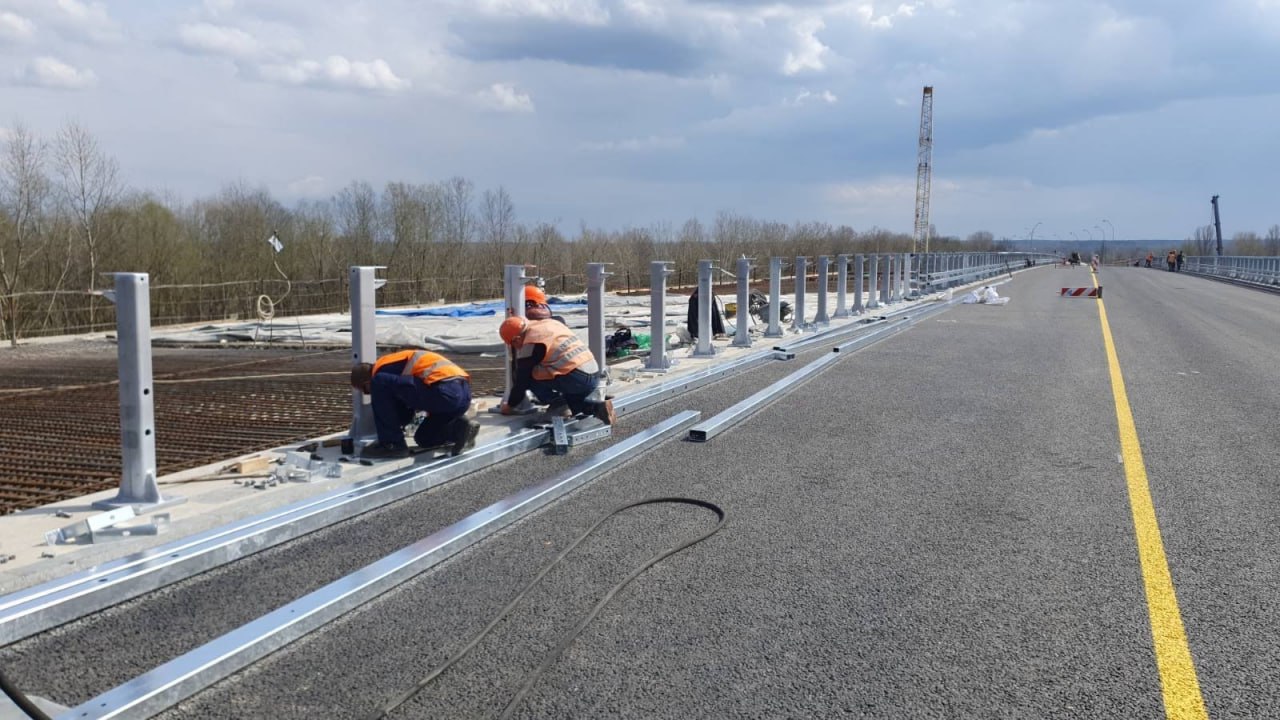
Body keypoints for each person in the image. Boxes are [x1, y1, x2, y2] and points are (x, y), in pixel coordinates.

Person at [350, 349, 481, 459]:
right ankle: (460, 428)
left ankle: (392, 444)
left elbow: (400, 405)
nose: (369, 394)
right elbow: (406, 405)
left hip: (443, 390)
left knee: (379, 382)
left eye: (366, 391)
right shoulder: (395, 368)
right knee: (424, 438)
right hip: (461, 396)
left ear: (366, 382)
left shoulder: (382, 369)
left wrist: (389, 431)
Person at [497, 315, 615, 425]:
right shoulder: (548, 323)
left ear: (517, 339)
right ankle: (598, 408)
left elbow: (521, 381)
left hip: (576, 378)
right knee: (573, 404)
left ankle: (557, 403)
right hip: (593, 374)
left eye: (512, 345)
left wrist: (510, 406)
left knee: (529, 375)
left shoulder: (531, 342)